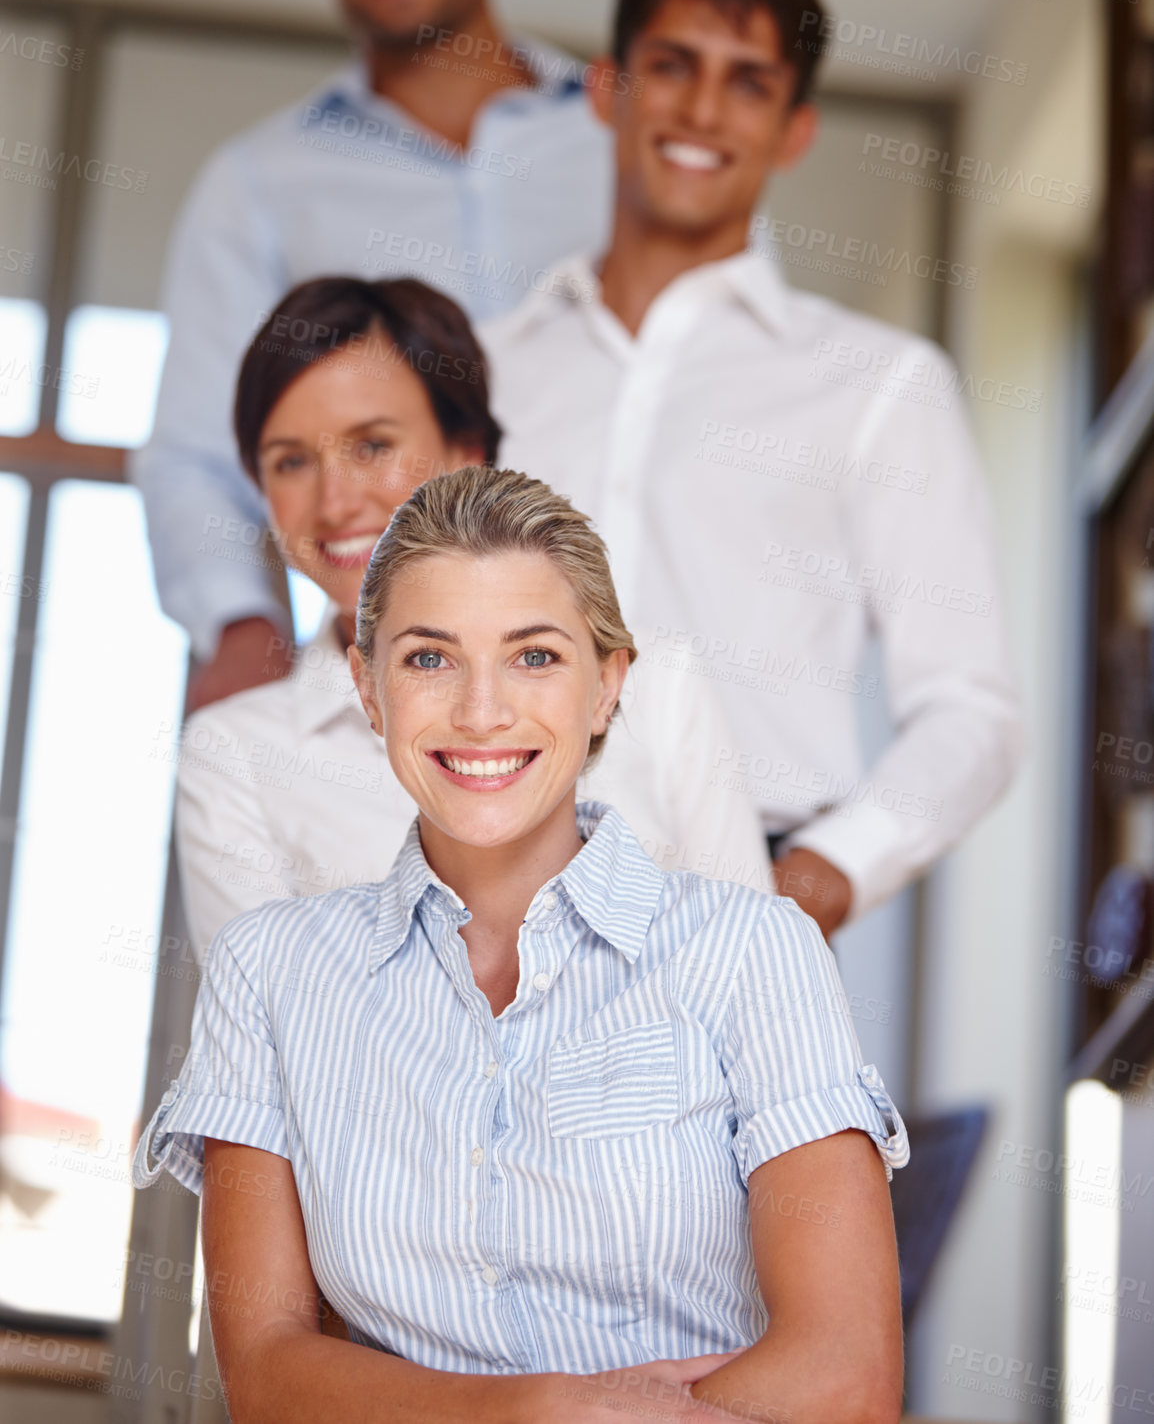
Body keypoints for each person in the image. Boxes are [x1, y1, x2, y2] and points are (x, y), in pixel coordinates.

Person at [134, 466, 908, 1424]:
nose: (481, 711)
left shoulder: (755, 954)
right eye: (429, 659)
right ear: (369, 690)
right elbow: (268, 1375)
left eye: (535, 656)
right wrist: (539, 1409)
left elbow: (843, 1378)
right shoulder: (269, 973)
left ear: (606, 687)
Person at [483, 0, 1024, 941]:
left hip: (735, 899)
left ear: (793, 130)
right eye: (672, 66)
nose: (700, 109)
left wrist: (813, 882)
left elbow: (972, 712)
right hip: (482, 902)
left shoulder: (879, 385)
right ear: (607, 90)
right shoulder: (482, 368)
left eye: (748, 82)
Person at [133, 0, 612, 711]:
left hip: (609, 661)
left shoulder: (625, 139)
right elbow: (195, 446)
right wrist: (241, 632)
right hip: (382, 684)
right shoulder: (257, 182)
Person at [175, 276, 769, 961]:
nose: (334, 501)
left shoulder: (657, 685)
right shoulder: (235, 753)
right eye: (291, 462)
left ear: (467, 451)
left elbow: (747, 974)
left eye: (372, 446)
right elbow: (266, 1028)